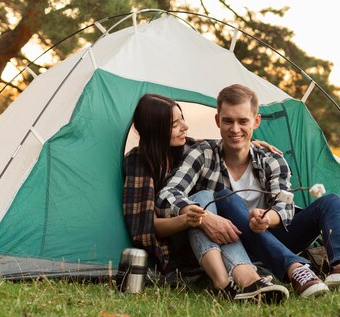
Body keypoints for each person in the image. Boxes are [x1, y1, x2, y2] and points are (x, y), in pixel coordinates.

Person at [157, 84, 340, 298]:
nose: (235, 129)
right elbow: (166, 196)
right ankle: (296, 269)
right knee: (224, 198)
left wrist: (266, 219)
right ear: (218, 120)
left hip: (273, 235)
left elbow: (284, 206)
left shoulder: (271, 159)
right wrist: (202, 215)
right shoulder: (202, 154)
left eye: (243, 121)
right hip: (233, 243)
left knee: (330, 201)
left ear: (256, 122)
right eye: (228, 121)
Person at [122, 93, 289, 303]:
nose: (185, 126)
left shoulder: (187, 148)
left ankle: (247, 280)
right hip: (172, 242)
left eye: (182, 118)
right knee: (203, 197)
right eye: (175, 124)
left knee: (211, 208)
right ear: (155, 129)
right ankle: (226, 282)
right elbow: (145, 229)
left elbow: (223, 144)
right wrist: (197, 218)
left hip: (203, 237)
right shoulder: (140, 162)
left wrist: (251, 142)